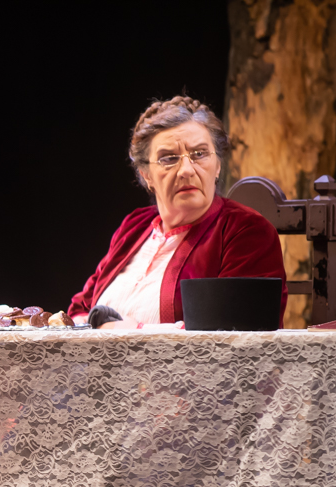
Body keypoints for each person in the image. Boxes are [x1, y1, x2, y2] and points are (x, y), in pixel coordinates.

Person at [68, 96, 288, 329]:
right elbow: (80, 308)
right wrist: (88, 328)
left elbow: (238, 335)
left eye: (199, 154)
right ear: (146, 175)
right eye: (169, 158)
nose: (186, 170)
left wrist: (129, 331)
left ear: (218, 165)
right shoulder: (135, 225)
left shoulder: (246, 231)